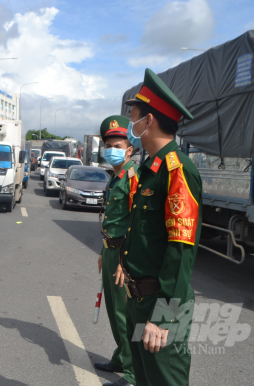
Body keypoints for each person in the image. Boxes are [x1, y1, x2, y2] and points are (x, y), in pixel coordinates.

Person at [114, 69, 202, 386]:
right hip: (139, 301)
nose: (130, 125)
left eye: (133, 117)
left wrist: (165, 317)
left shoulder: (176, 169)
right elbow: (144, 234)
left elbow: (180, 250)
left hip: (161, 306)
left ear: (148, 121)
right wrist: (125, 263)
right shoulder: (151, 168)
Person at [94, 116, 137, 386]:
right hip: (110, 251)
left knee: (124, 313)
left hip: (124, 255)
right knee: (112, 309)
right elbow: (112, 220)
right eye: (108, 144)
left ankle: (133, 372)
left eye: (117, 144)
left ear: (129, 149)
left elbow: (135, 223)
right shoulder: (116, 177)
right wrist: (103, 252)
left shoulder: (133, 178)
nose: (111, 149)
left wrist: (124, 261)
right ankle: (120, 357)